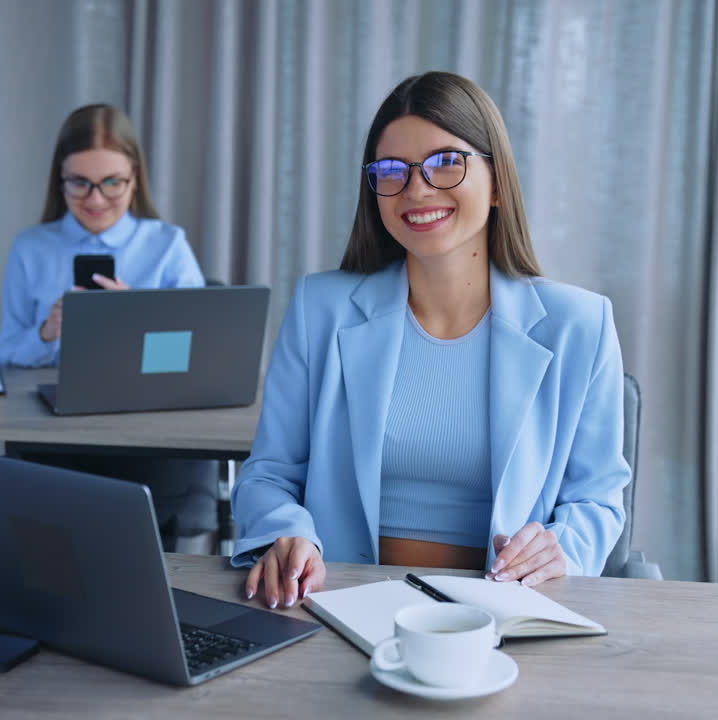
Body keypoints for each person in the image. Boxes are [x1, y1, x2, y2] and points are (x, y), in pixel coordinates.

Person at [230, 72, 631, 609]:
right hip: (342, 599)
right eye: (391, 171)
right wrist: (288, 533)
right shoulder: (319, 309)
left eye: (447, 162)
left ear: (498, 183)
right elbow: (268, 473)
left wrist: (561, 547)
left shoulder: (580, 324)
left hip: (504, 611)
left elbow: (598, 499)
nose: (417, 189)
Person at [0, 103, 218, 550]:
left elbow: (202, 356)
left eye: (111, 183)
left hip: (149, 435)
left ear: (135, 178)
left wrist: (136, 321)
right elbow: (5, 352)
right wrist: (48, 332)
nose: (95, 200)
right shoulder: (32, 248)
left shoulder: (167, 244)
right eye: (79, 183)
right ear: (60, 179)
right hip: (55, 434)